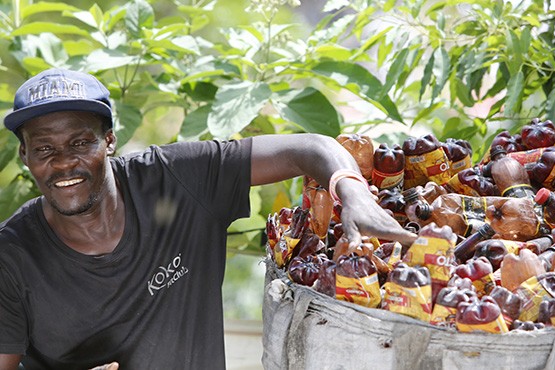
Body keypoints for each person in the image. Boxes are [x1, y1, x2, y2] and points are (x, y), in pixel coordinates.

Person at [0, 68, 416, 370]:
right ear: (25, 156)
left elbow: (309, 147)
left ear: (109, 140)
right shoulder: (12, 256)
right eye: (44, 150)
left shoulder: (178, 181)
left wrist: (353, 191)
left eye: (80, 142)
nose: (64, 164)